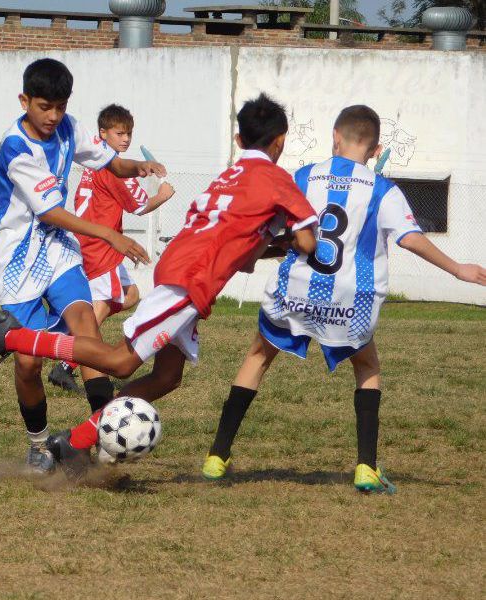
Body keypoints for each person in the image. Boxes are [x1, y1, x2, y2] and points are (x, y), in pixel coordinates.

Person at [0, 93, 318, 476]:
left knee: (168, 378)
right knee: (120, 361)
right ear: (280, 142)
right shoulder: (277, 180)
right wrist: (293, 241)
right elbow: (308, 243)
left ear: (238, 141)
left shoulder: (229, 177)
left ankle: (79, 438)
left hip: (187, 270)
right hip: (190, 280)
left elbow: (245, 256)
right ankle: (14, 340)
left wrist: (268, 242)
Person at [201, 105, 486, 493]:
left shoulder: (302, 176)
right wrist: (457, 270)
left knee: (257, 357)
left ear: (334, 137)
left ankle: (218, 455)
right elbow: (411, 238)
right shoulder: (383, 189)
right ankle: (366, 467)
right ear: (375, 147)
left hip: (296, 288)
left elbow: (271, 226)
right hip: (351, 298)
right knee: (367, 366)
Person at [0, 57, 166, 474]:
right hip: (18, 257)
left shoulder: (69, 125)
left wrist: (139, 166)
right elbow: (49, 212)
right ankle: (38, 444)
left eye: (60, 106)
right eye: (44, 107)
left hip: (58, 248)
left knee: (86, 325)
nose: (53, 116)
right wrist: (110, 234)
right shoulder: (15, 146)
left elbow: (109, 162)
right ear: (24, 100)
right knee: (28, 362)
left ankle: (98, 434)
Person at [48, 104, 176, 392]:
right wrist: (164, 195)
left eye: (128, 133)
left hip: (93, 241)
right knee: (103, 305)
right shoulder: (112, 167)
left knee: (129, 295)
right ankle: (68, 361)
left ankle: (71, 349)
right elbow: (140, 205)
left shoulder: (96, 165)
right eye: (119, 133)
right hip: (100, 243)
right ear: (102, 134)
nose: (125, 139)